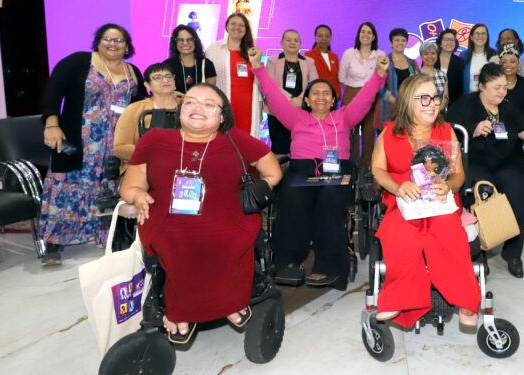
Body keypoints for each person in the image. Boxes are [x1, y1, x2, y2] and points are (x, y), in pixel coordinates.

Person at [121, 83, 282, 343]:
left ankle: (230, 302)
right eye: (191, 102)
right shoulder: (154, 140)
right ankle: (182, 310)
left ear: (221, 116)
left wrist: (260, 189)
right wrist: (138, 196)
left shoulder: (235, 138)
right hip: (168, 219)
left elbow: (273, 172)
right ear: (180, 110)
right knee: (176, 244)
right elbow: (130, 185)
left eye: (209, 104)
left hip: (229, 218)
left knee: (228, 242)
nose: (198, 108)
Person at [249, 47, 388, 288]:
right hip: (302, 170)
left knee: (330, 199)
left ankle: (329, 265)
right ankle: (288, 262)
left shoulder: (345, 117)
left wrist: (378, 74)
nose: (321, 97)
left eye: (327, 93)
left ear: (334, 100)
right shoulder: (295, 117)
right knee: (291, 197)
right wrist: (258, 68)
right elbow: (274, 95)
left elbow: (365, 97)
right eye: (315, 93)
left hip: (336, 171)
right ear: (306, 99)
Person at [372, 73, 481, 328]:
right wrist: (398, 188)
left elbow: (458, 174)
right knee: (402, 235)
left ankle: (465, 298)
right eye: (424, 98)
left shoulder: (446, 131)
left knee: (449, 236)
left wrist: (448, 186)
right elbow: (377, 170)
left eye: (435, 97)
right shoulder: (388, 134)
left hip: (440, 200)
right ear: (408, 101)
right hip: (404, 199)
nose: (433, 103)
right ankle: (400, 298)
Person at [40, 24, 147, 265]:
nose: (113, 43)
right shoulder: (78, 62)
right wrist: (51, 123)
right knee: (67, 186)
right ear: (98, 41)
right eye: (107, 38)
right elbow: (53, 93)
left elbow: (140, 103)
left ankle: (107, 237)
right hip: (77, 143)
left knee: (108, 188)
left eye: (119, 40)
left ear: (127, 45)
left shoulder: (133, 71)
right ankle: (55, 243)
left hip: (116, 144)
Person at [446, 63, 524, 278]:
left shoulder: (507, 108)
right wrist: (472, 130)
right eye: (496, 87)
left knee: (521, 197)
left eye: (504, 87)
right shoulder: (464, 106)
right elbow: (448, 137)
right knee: (480, 199)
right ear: (482, 86)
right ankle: (479, 253)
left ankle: (512, 254)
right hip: (477, 163)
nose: (502, 92)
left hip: (508, 163)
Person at [113, 63, 179, 175]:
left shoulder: (189, 105)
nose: (165, 80)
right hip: (143, 168)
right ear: (148, 85)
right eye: (158, 77)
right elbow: (120, 148)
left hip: (183, 167)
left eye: (168, 76)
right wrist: (156, 153)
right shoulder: (135, 109)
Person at [206, 13, 263, 137]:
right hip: (223, 102)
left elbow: (259, 83)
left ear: (246, 29)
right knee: (224, 138)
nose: (237, 27)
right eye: (233, 24)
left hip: (248, 105)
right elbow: (206, 78)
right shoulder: (214, 49)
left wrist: (259, 108)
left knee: (246, 140)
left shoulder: (253, 51)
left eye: (241, 25)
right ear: (226, 27)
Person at [263, 30, 319, 155]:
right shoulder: (273, 60)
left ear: (300, 44)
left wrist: (300, 100)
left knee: (300, 148)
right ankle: (280, 174)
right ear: (282, 43)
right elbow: (269, 85)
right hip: (277, 111)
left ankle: (296, 174)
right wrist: (289, 100)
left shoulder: (309, 62)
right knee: (279, 148)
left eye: (296, 40)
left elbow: (315, 86)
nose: (292, 43)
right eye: (288, 40)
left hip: (301, 110)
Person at [339, 22, 385, 168]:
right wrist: (355, 92)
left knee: (369, 134)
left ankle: (366, 168)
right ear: (358, 35)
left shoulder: (380, 55)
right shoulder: (349, 53)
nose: (365, 35)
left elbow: (381, 79)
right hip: (351, 94)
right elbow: (342, 78)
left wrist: (366, 93)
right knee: (349, 134)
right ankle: (350, 166)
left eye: (369, 32)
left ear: (374, 37)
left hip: (371, 98)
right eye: (363, 32)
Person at [377, 27, 418, 127]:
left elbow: (417, 84)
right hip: (388, 109)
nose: (400, 43)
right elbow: (379, 87)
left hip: (408, 110)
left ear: (406, 43)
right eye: (397, 40)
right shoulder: (384, 62)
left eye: (403, 40)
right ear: (391, 43)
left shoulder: (413, 63)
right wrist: (396, 102)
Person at [163, 24, 217, 96]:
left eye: (189, 39)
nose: (185, 43)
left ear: (195, 41)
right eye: (180, 40)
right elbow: (161, 90)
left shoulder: (207, 64)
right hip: (174, 106)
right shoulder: (167, 65)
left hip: (199, 106)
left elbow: (211, 93)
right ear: (175, 43)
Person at [304, 24, 341, 98]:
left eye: (327, 36)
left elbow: (336, 78)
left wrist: (337, 93)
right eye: (320, 36)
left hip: (332, 97)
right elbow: (306, 79)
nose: (324, 38)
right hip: (316, 97)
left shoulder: (334, 57)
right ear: (315, 37)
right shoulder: (308, 55)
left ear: (330, 38)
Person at [498, 44, 524, 117]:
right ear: (500, 63)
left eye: (512, 61)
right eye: (504, 62)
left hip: (520, 127)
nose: (508, 65)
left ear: (518, 63)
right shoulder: (493, 83)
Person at [435, 28, 466, 105]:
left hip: (454, 106)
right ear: (440, 43)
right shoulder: (431, 60)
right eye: (446, 39)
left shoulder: (460, 62)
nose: (449, 42)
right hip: (432, 104)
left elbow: (461, 89)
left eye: (452, 40)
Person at [463, 24, 496, 94]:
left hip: (489, 97)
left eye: (483, 33)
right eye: (477, 33)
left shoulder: (494, 55)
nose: (480, 36)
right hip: (469, 98)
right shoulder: (463, 56)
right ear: (471, 37)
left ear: (487, 37)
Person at [418, 41, 449, 112]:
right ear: (421, 56)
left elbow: (446, 97)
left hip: (440, 114)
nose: (430, 56)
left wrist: (438, 109)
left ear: (437, 56)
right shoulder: (415, 76)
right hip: (422, 114)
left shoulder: (442, 74)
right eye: (426, 54)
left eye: (433, 53)